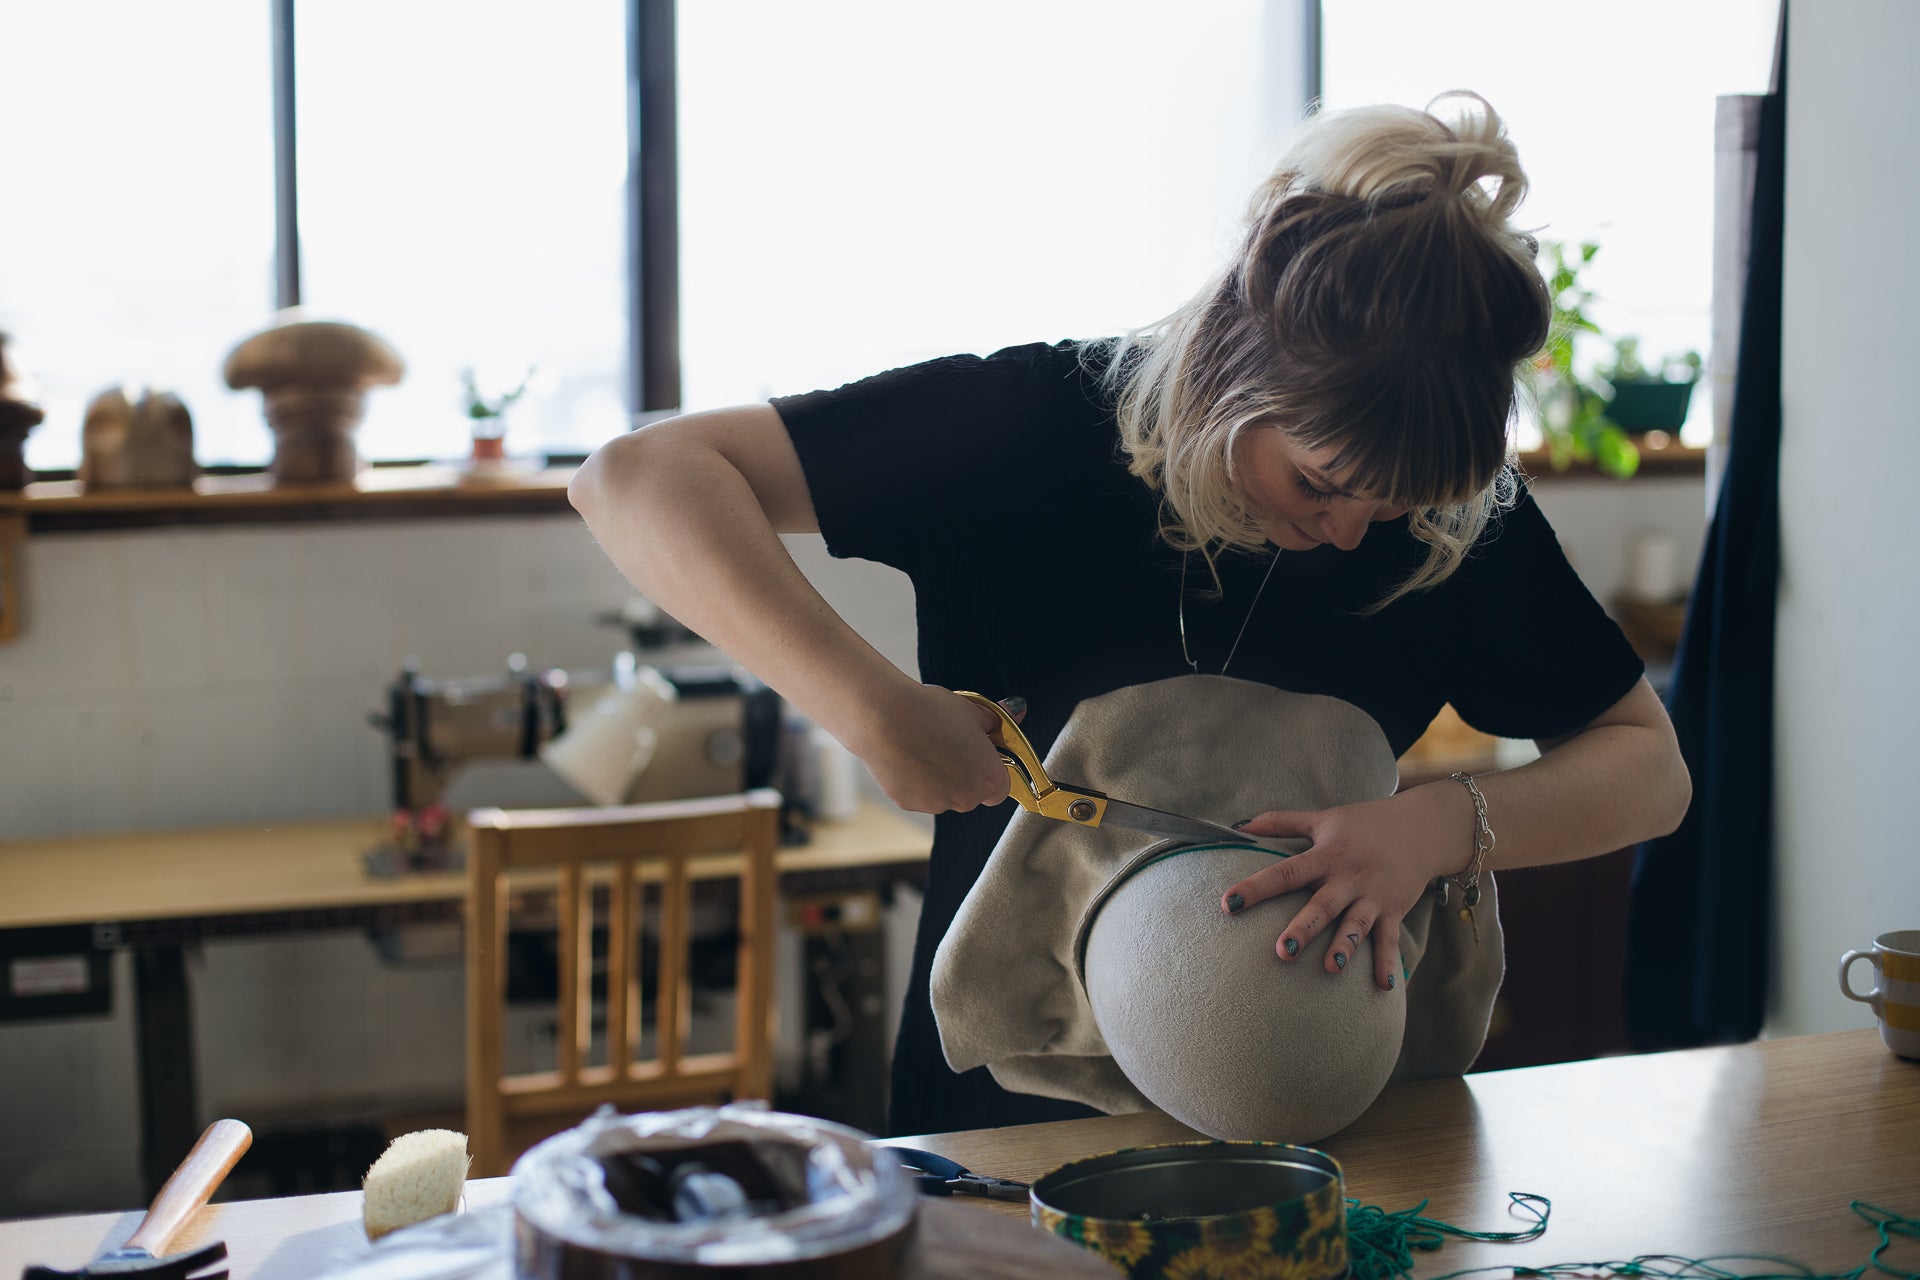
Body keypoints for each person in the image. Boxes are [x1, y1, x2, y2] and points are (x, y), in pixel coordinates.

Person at [569, 92, 1692, 1136]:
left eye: (1399, 505)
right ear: (1236, 364)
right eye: (1322, 483)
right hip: (1008, 1127)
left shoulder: (1454, 523)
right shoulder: (1036, 426)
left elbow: (1652, 770)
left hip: (1335, 1130)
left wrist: (1442, 824)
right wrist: (865, 707)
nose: (1357, 533)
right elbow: (636, 477)